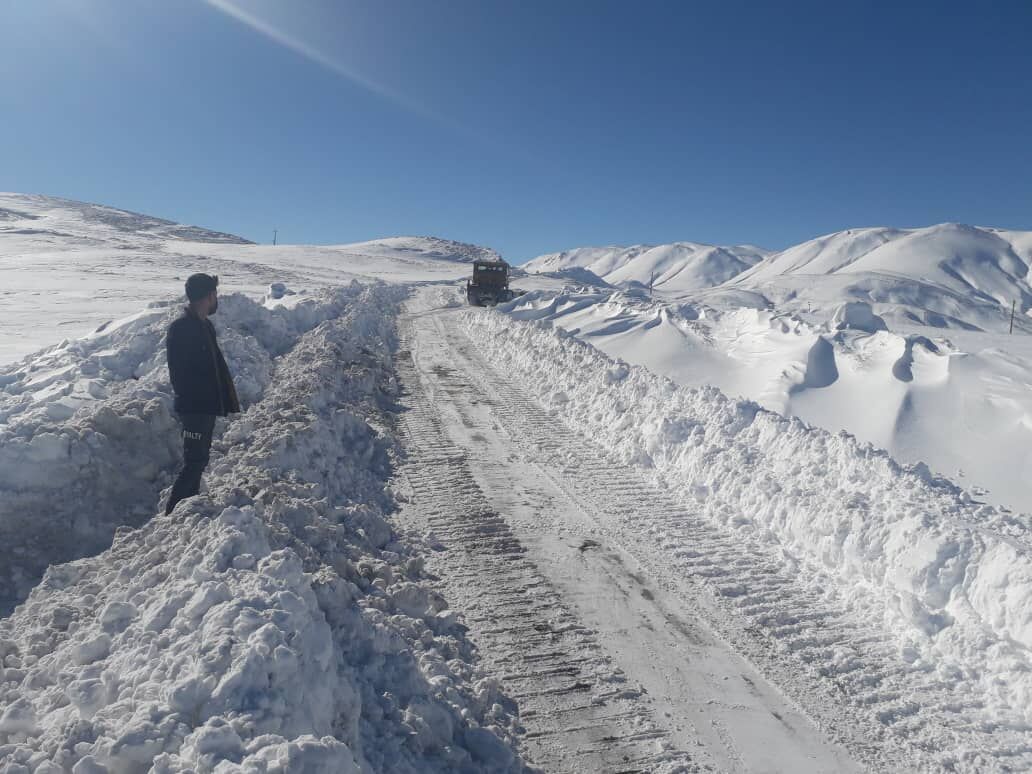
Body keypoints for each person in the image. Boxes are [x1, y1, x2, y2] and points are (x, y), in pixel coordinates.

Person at [164, 273, 240, 514]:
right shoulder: (181, 329)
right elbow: (179, 374)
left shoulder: (205, 326)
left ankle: (187, 508)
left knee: (199, 460)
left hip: (205, 407)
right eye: (215, 294)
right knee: (194, 462)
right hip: (194, 408)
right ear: (208, 296)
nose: (216, 299)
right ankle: (172, 515)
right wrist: (196, 403)